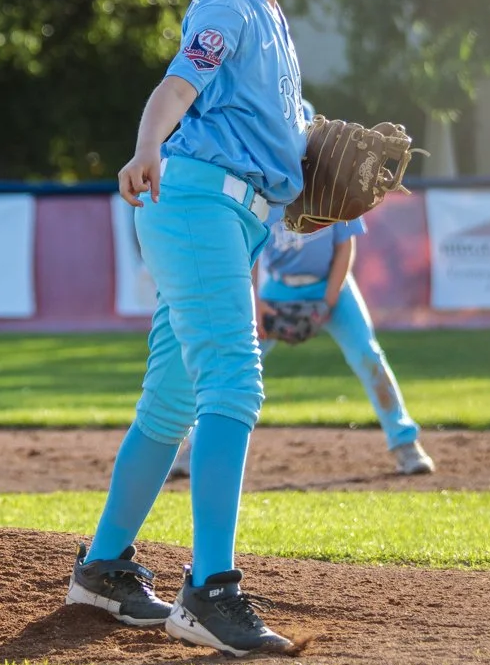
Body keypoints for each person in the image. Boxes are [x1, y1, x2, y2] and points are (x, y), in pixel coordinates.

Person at [64, 0, 336, 656]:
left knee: (173, 400)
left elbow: (279, 132)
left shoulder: (273, 19)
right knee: (234, 379)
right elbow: (177, 85)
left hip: (229, 216)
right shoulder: (226, 4)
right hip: (197, 204)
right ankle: (210, 590)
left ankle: (104, 567)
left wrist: (312, 159)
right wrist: (145, 145)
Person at [169, 103, 435, 479]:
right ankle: (192, 449)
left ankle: (406, 443)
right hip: (275, 291)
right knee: (231, 363)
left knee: (368, 355)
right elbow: (251, 250)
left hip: (333, 286)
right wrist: (255, 304)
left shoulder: (337, 183)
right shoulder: (262, 183)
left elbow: (345, 247)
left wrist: (328, 301)